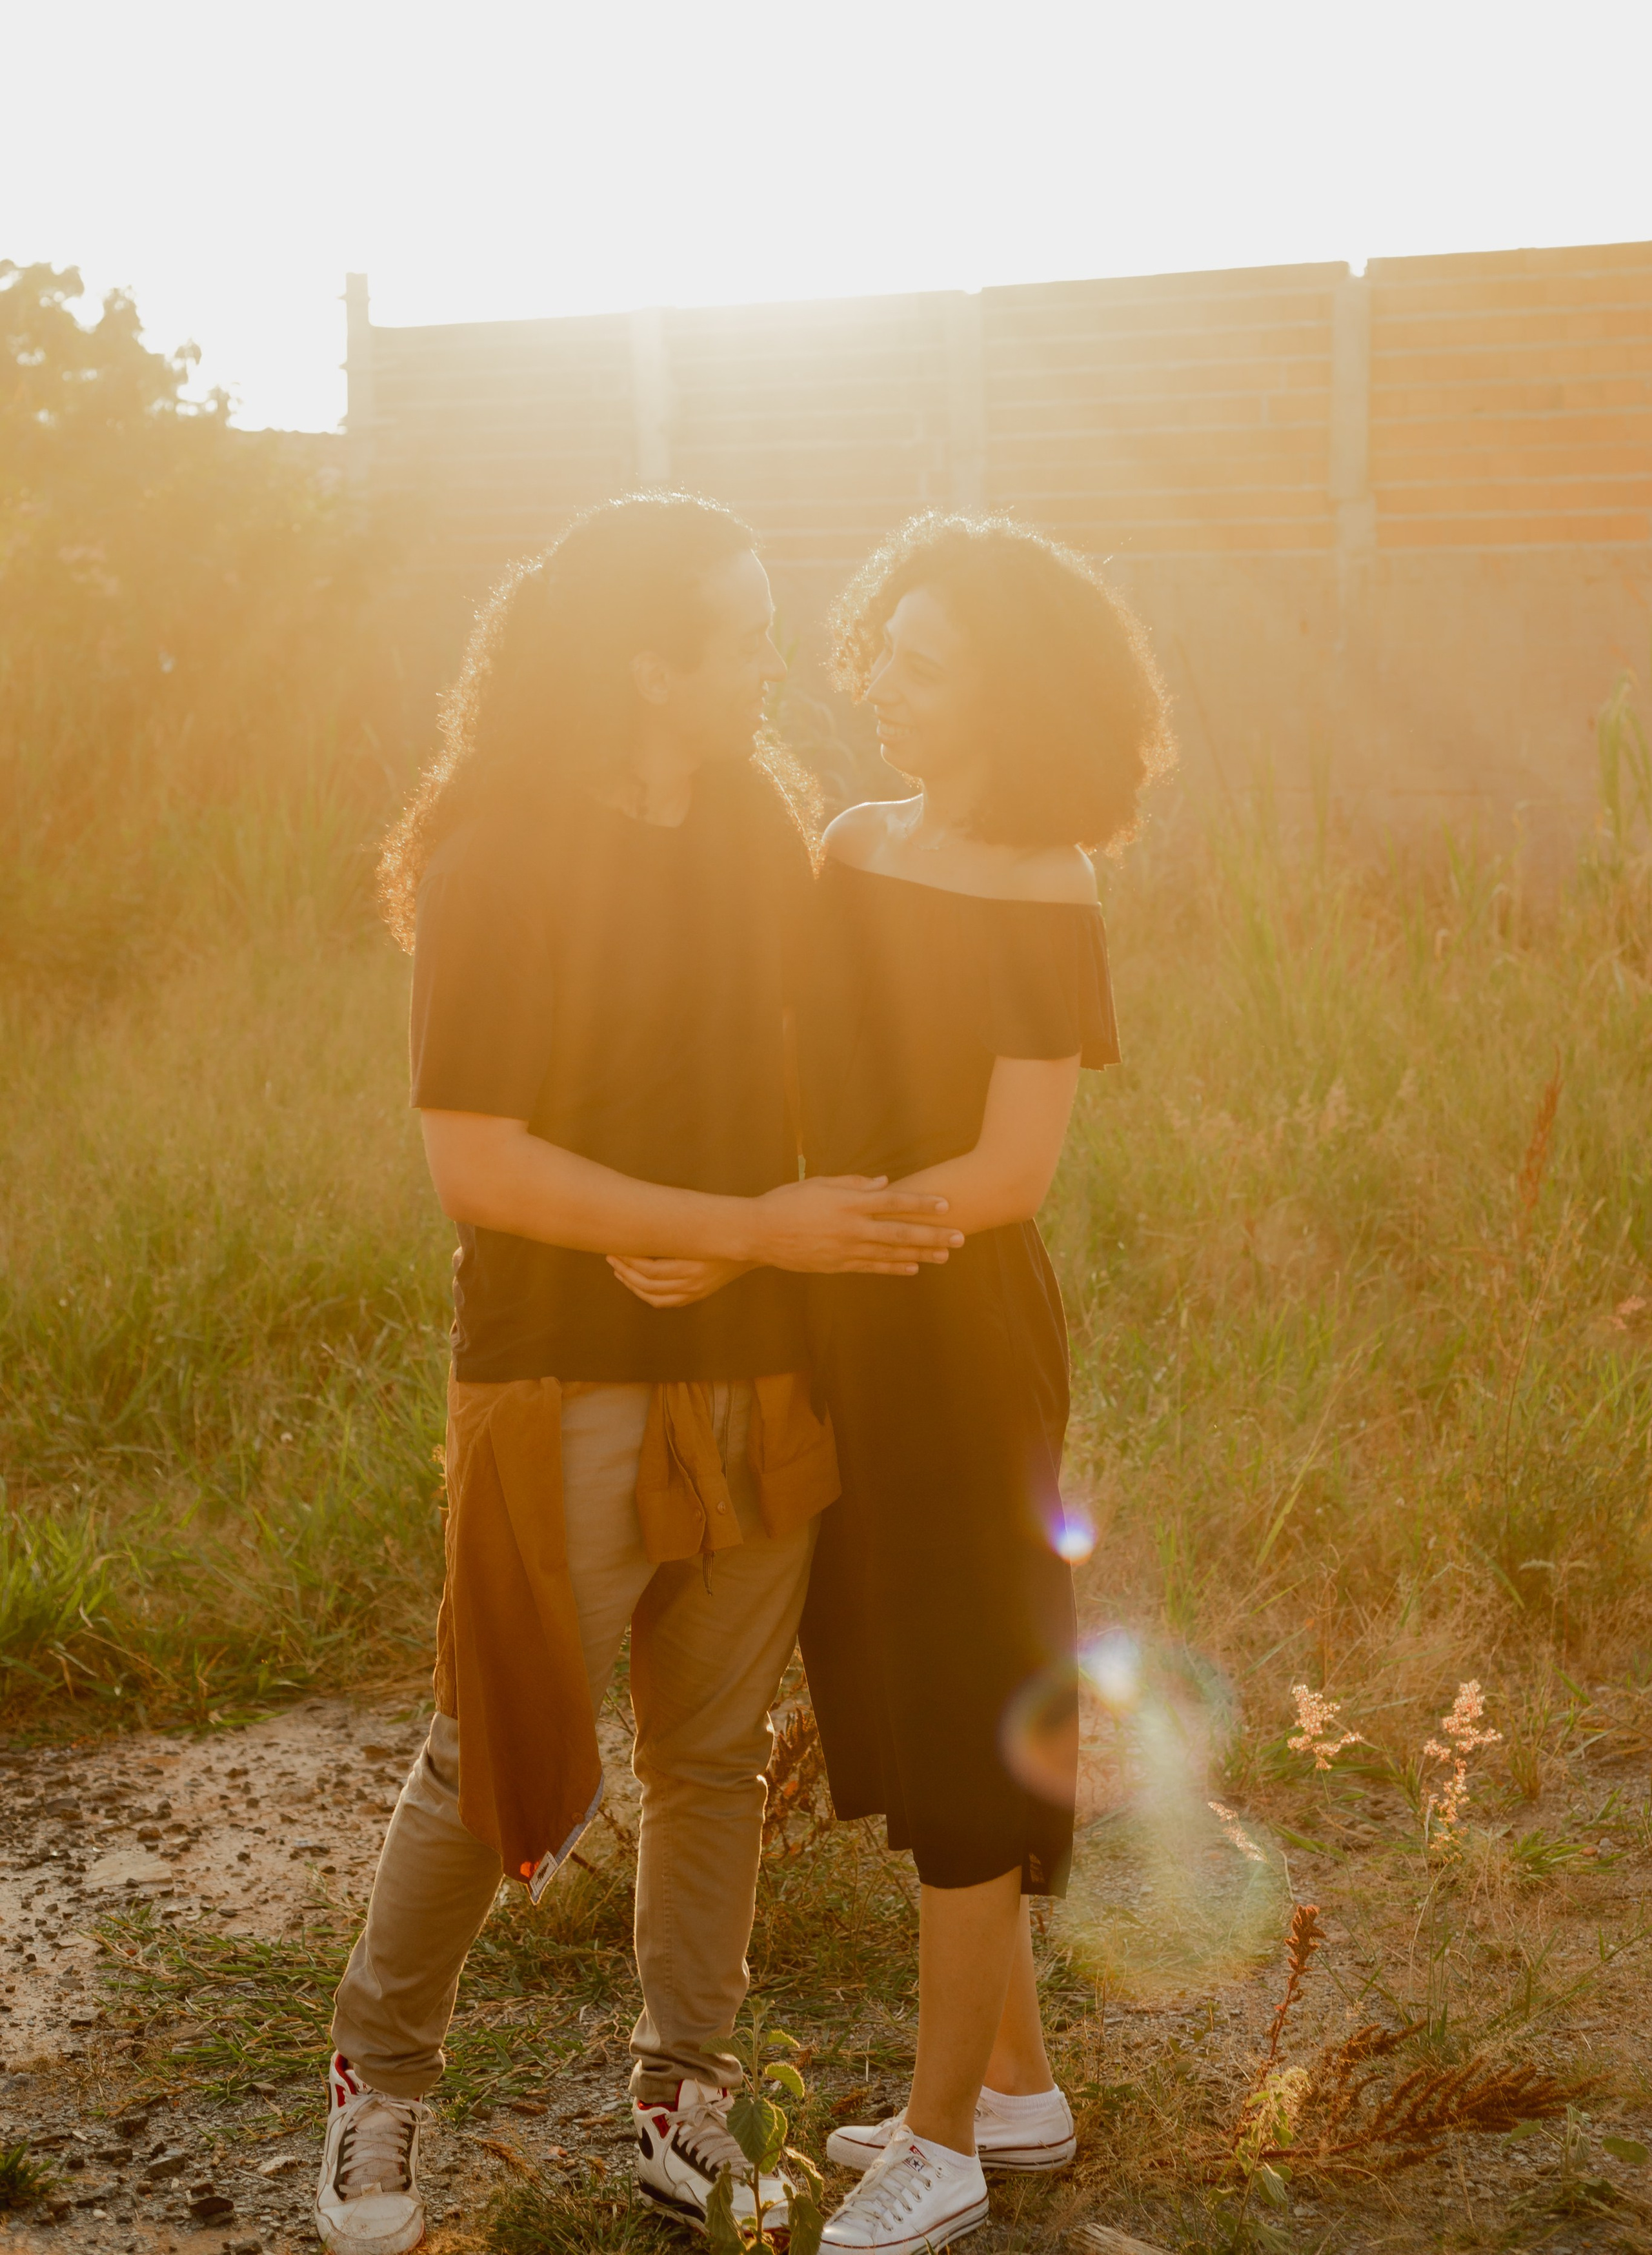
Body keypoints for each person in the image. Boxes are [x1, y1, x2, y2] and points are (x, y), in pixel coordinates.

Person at [316, 494, 960, 2255]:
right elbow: (479, 1161)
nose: (773, 649)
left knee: (712, 1751)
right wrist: (709, 1222)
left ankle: (684, 2086)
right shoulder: (498, 854)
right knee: (501, 1750)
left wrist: (749, 1232)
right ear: (644, 661)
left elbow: (811, 1062)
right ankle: (382, 2086)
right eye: (743, 625)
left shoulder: (759, 821)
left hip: (762, 1363)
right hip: (563, 1368)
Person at [619, 511, 1172, 2255]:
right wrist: (745, 1233)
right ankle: (1014, 2091)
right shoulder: (852, 844)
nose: (884, 689)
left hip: (954, 1332)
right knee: (889, 1685)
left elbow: (1011, 1169)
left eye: (929, 665)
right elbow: (780, 1065)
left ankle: (937, 2141)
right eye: (884, 654)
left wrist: (804, 1235)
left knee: (964, 1714)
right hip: (835, 1320)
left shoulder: (1049, 878)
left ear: (1015, 690)